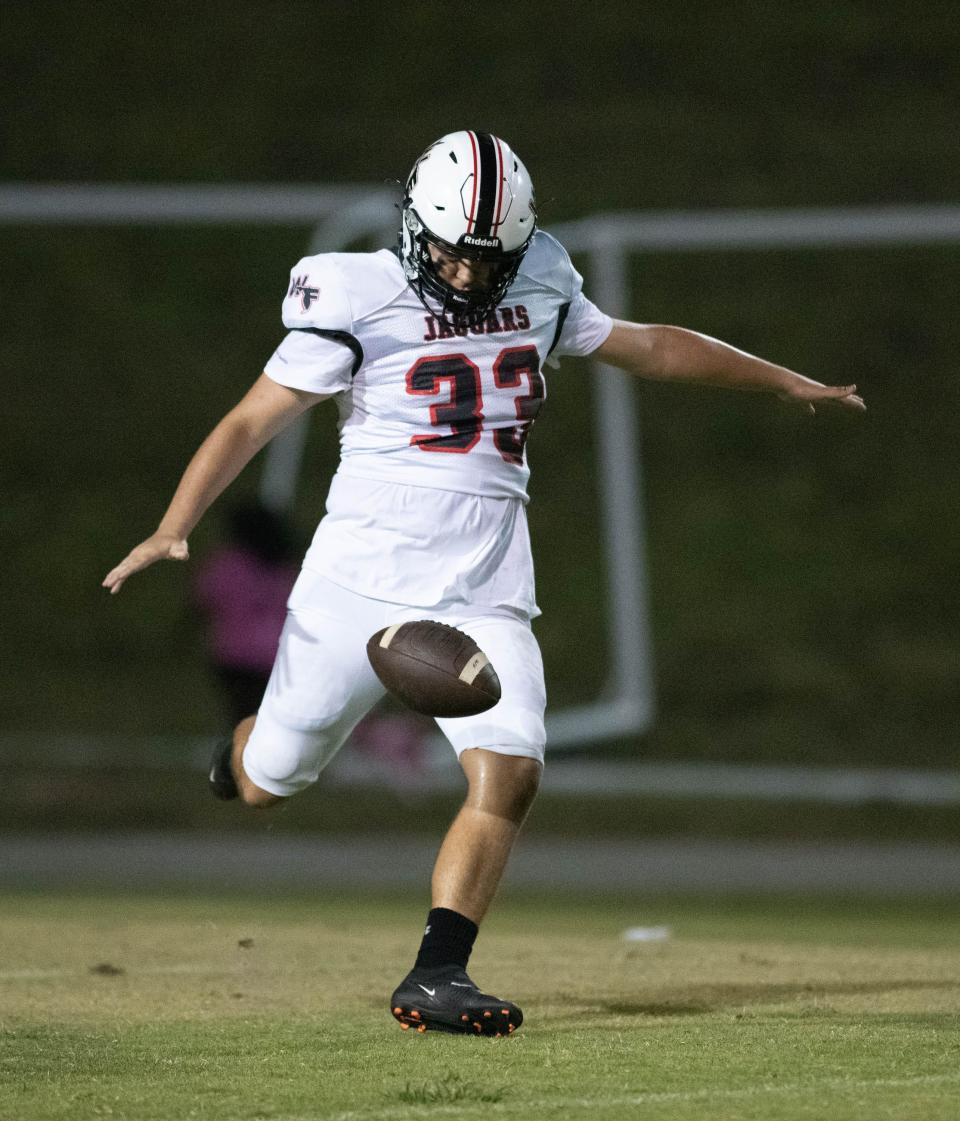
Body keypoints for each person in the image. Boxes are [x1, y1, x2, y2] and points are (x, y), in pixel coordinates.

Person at [103, 130, 865, 1036]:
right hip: (356, 583)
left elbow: (650, 346)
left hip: (483, 587)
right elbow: (254, 417)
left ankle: (437, 973)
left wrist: (781, 381)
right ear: (414, 229)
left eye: (486, 259)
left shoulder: (542, 276)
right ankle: (236, 756)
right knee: (273, 778)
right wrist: (174, 523)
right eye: (453, 255)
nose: (468, 277)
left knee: (511, 768)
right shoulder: (354, 292)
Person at [193, 500, 299, 726]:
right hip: (274, 656)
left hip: (233, 655)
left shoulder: (227, 564)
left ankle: (240, 758)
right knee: (272, 721)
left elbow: (205, 599)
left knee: (243, 719)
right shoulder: (282, 567)